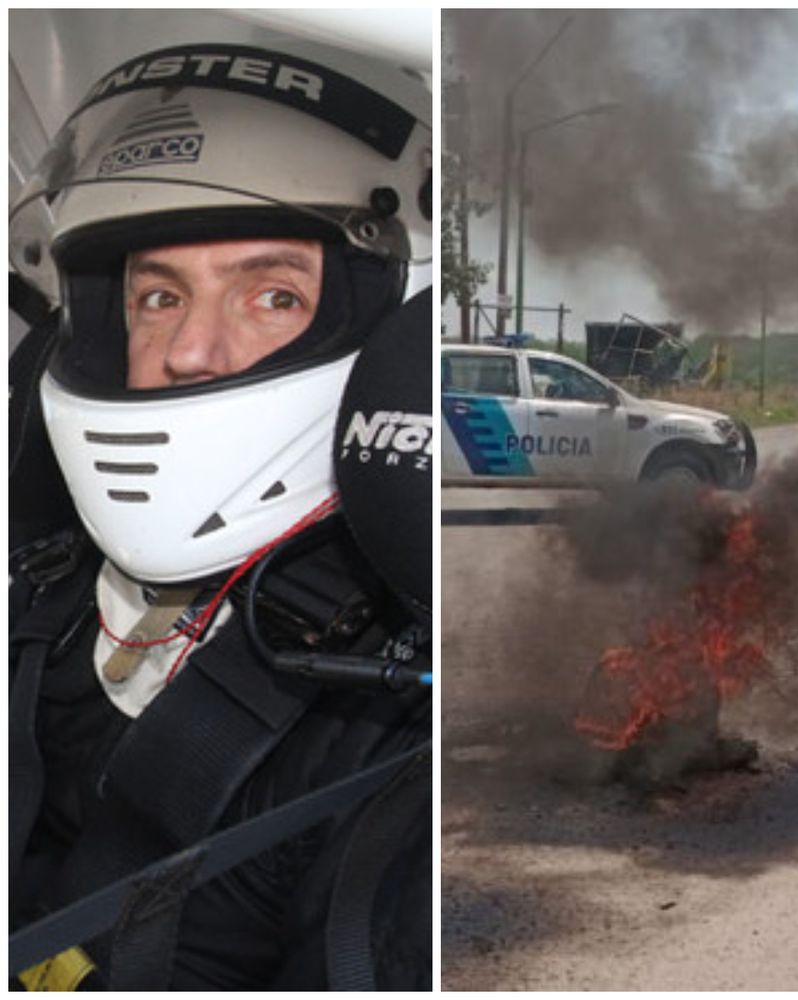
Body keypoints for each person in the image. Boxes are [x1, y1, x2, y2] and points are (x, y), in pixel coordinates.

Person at [9, 36, 432, 990]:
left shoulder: (392, 722)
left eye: (272, 294)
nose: (190, 350)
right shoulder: (47, 584)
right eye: (158, 295)